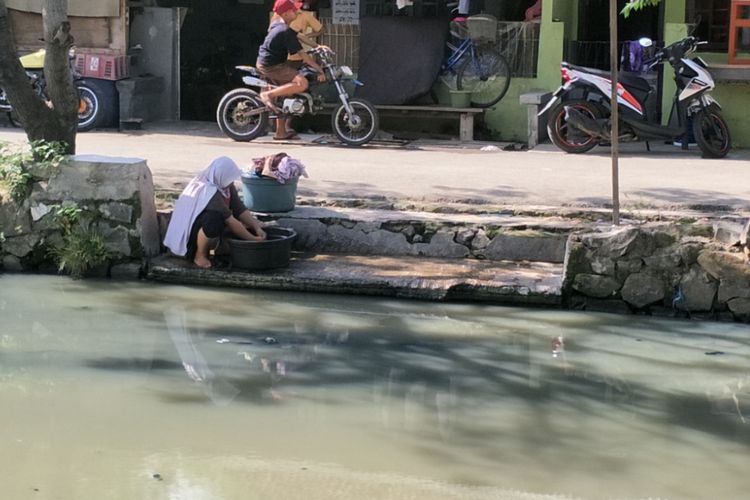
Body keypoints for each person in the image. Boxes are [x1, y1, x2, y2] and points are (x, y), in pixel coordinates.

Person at [163, 156, 266, 269]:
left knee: (246, 224)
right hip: (190, 235)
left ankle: (220, 248)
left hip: (204, 225)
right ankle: (199, 255)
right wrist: (254, 240)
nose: (231, 182)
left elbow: (238, 208)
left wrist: (256, 227)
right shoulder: (209, 191)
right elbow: (231, 221)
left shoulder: (225, 185)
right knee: (214, 220)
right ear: (221, 176)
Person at [257, 0, 326, 140]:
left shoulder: (280, 26)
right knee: (302, 83)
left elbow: (299, 36)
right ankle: (268, 95)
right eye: (294, 10)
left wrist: (318, 47)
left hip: (271, 63)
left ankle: (280, 133)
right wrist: (320, 69)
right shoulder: (284, 30)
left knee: (284, 95)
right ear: (286, 13)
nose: (296, 12)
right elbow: (304, 56)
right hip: (271, 66)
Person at [269, 1, 324, 70]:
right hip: (280, 57)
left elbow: (301, 36)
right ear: (285, 14)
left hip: (296, 57)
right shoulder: (279, 21)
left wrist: (309, 37)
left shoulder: (304, 16)